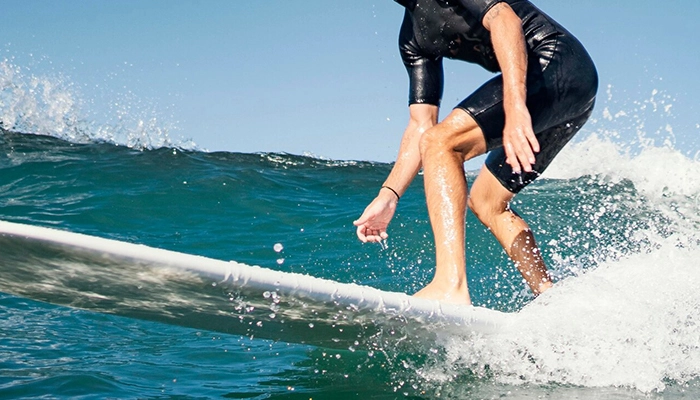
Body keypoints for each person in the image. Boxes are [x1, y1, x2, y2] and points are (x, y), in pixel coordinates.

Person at [353, 0, 598, 305]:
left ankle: (450, 285)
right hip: (566, 97)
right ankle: (550, 297)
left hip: (559, 67)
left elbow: (504, 17)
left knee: (441, 142)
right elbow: (420, 123)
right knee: (487, 202)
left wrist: (515, 106)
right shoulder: (413, 40)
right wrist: (389, 194)